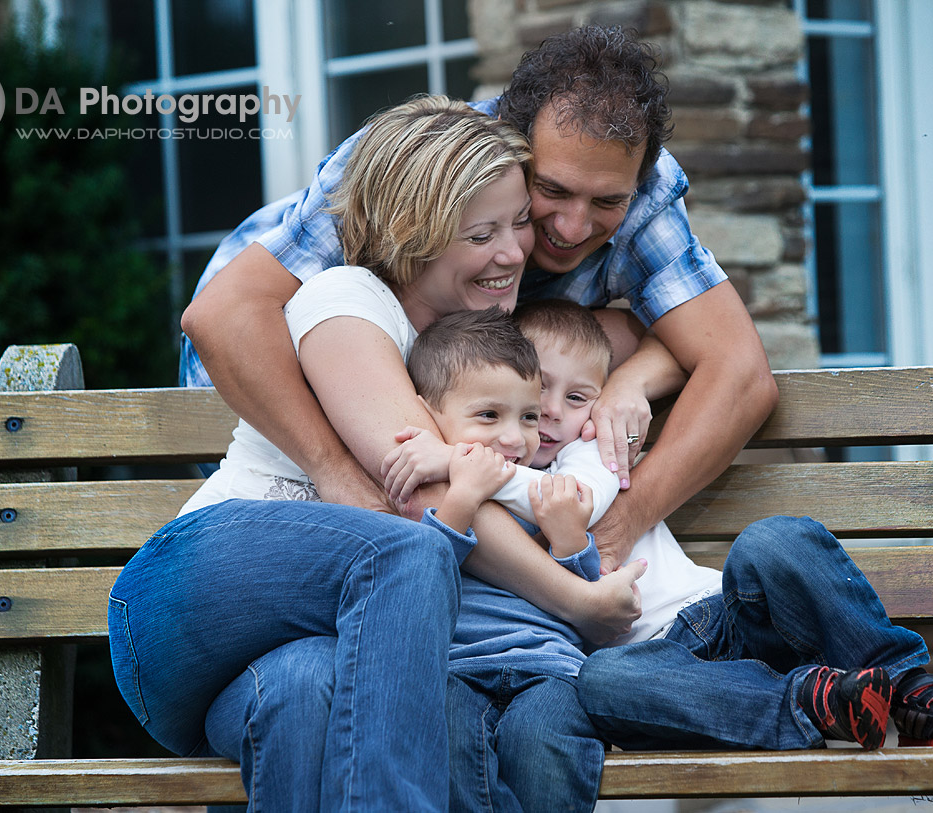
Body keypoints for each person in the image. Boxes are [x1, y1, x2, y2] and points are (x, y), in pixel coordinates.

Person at [178, 26, 780, 639]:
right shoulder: (430, 165)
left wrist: (623, 487)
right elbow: (225, 318)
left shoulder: (639, 185)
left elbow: (734, 369)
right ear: (515, 152)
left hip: (455, 393)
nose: (572, 227)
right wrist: (336, 472)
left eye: (606, 202)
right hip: (268, 384)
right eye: (550, 192)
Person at [108, 96, 585, 811]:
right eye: (482, 232)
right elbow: (414, 502)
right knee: (407, 550)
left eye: (519, 223)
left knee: (305, 691)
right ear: (411, 233)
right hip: (186, 596)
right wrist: (583, 601)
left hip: (262, 662)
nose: (515, 251)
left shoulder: (466, 348)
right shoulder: (347, 299)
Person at [388, 298, 933, 752]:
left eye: (578, 399)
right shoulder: (480, 500)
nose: (547, 415)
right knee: (601, 681)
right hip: (660, 666)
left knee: (776, 539)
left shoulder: (588, 454)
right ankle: (814, 702)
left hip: (724, 613)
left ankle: (914, 691)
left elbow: (568, 499)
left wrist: (455, 460)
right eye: (535, 394)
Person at [399, 306, 606, 812]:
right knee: (444, 740)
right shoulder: (422, 493)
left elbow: (587, 604)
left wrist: (569, 541)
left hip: (549, 666)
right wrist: (462, 498)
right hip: (457, 669)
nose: (515, 439)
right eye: (489, 416)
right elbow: (425, 577)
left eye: (528, 417)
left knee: (543, 745)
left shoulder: (545, 491)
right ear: (428, 414)